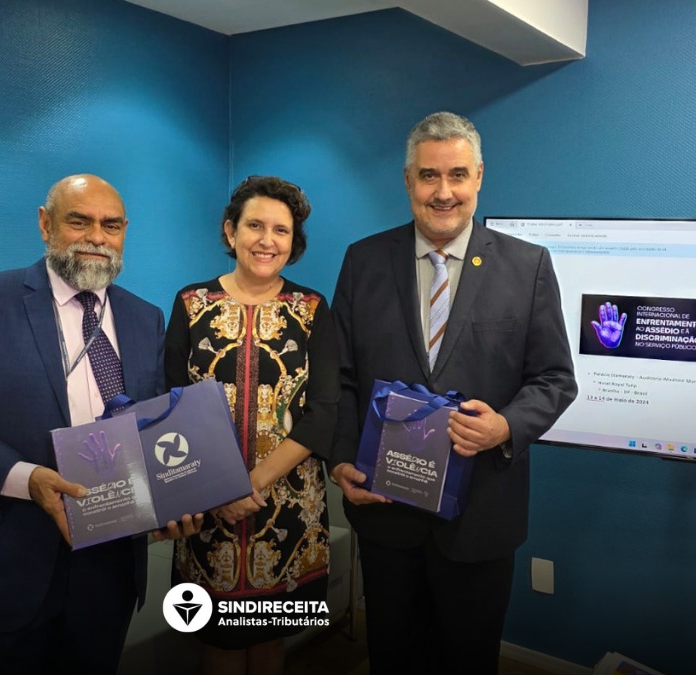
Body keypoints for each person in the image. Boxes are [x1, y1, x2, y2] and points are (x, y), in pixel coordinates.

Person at [0, 174, 199, 675]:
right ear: (45, 224)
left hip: (109, 571)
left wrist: (173, 499)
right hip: (4, 566)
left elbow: (150, 427)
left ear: (125, 231)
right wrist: (28, 479)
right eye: (79, 221)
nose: (97, 237)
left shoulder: (145, 318)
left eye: (111, 225)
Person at [329, 112, 577, 674]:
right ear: (408, 180)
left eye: (457, 175)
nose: (443, 192)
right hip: (388, 515)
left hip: (481, 517)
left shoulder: (528, 266)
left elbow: (555, 378)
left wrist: (505, 426)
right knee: (392, 656)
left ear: (479, 177)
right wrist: (341, 458)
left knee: (469, 660)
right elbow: (340, 375)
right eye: (429, 176)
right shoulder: (364, 261)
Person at [165, 175, 339, 675]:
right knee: (218, 641)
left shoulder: (312, 309)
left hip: (288, 507)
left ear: (294, 241)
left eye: (281, 230)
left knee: (270, 639)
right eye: (255, 226)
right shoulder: (190, 304)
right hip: (207, 506)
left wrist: (249, 483)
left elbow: (325, 411)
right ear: (231, 231)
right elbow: (170, 406)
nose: (267, 240)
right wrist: (219, 489)